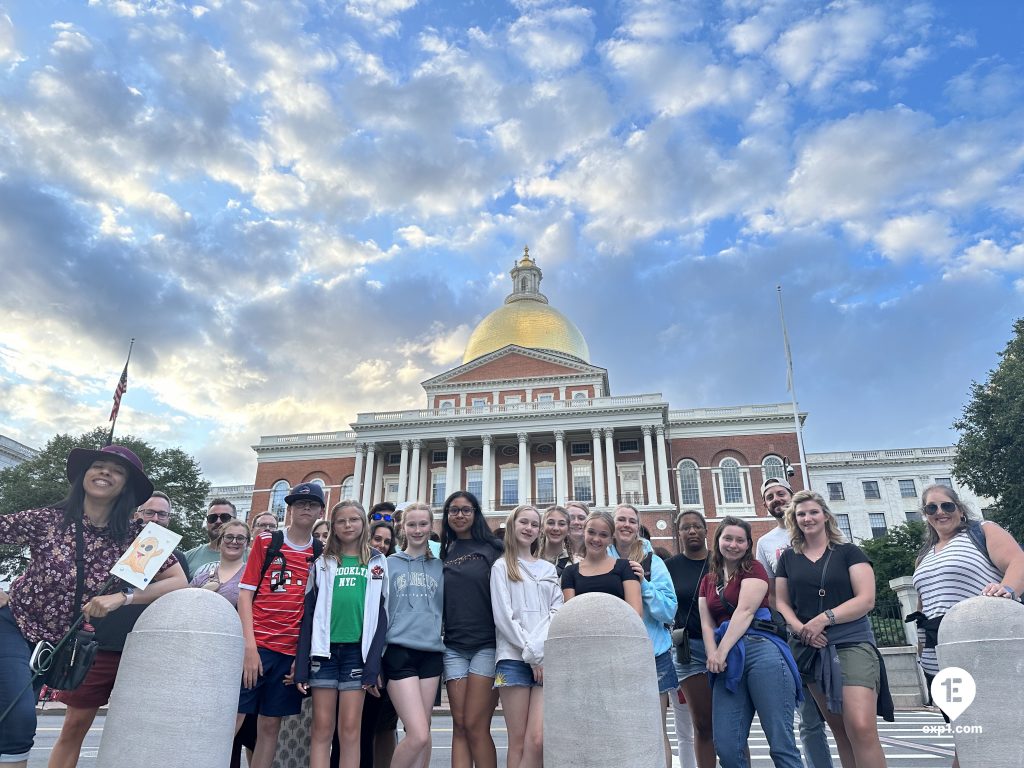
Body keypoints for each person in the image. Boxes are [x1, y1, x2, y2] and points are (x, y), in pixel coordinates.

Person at [0, 445, 187, 768]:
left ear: (126, 486)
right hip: (14, 625)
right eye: (98, 466)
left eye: (115, 470)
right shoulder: (49, 519)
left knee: (12, 718)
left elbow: (178, 581)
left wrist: (122, 598)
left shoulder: (136, 537)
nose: (104, 472)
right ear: (84, 475)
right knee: (18, 719)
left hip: (56, 645)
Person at [46, 489, 189, 768]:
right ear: (137, 514)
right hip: (98, 649)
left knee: (138, 735)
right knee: (73, 728)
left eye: (163, 514)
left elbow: (180, 596)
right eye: (150, 512)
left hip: (147, 656)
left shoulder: (177, 561)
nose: (156, 519)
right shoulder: (112, 544)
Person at [775, 491, 891, 768]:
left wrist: (823, 619)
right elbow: (780, 601)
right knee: (840, 730)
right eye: (801, 514)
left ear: (825, 515)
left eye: (813, 512)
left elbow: (866, 599)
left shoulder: (849, 552)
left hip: (851, 642)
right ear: (794, 520)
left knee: (861, 727)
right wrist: (802, 628)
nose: (807, 518)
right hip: (811, 648)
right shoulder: (788, 558)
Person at [911, 484, 1024, 766]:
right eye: (931, 508)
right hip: (940, 653)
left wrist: (1007, 589)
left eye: (947, 505)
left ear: (960, 509)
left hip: (980, 641)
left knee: (993, 728)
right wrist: (922, 648)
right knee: (966, 734)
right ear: (925, 515)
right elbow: (924, 603)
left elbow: (1018, 561)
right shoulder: (923, 556)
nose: (940, 512)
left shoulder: (982, 531)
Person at [698, 515, 802, 768]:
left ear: (747, 545)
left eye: (740, 540)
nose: (733, 545)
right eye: (728, 538)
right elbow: (706, 622)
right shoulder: (708, 580)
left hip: (760, 649)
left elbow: (745, 611)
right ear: (718, 541)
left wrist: (720, 652)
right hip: (727, 659)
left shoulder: (754, 568)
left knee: (781, 742)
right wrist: (713, 655)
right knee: (726, 745)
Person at [234, 482, 322, 768]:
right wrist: (249, 648)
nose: (305, 508)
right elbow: (245, 593)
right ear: (290, 509)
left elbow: (316, 612)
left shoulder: (321, 552)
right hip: (256, 646)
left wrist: (302, 659)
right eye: (298, 503)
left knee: (270, 726)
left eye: (311, 504)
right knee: (232, 720)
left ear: (321, 510)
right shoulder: (267, 542)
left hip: (289, 654)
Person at [296, 499, 389, 768]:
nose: (348, 525)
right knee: (322, 729)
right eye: (341, 521)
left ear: (363, 524)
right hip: (324, 654)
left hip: (356, 655)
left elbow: (381, 616)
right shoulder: (322, 563)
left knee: (350, 731)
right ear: (333, 526)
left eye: (354, 519)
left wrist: (374, 664)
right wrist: (302, 665)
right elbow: (309, 615)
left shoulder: (376, 561)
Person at [755, 477, 834, 768]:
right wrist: (797, 627)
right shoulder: (766, 543)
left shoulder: (822, 533)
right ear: (765, 506)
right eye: (770, 497)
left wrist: (824, 620)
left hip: (835, 630)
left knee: (848, 715)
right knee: (809, 719)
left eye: (781, 494)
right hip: (795, 635)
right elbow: (771, 593)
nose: (777, 499)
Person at [490, 505, 562, 768]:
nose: (529, 528)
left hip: (545, 660)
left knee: (539, 740)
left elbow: (557, 611)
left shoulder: (548, 569)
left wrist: (539, 654)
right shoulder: (501, 567)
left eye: (534, 524)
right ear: (513, 525)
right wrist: (532, 655)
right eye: (524, 522)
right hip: (512, 659)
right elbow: (504, 619)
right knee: (518, 741)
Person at [608, 504, 677, 768]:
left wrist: (644, 585)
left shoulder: (653, 562)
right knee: (618, 731)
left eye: (631, 521)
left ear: (638, 527)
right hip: (612, 656)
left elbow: (669, 611)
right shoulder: (601, 559)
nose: (626, 525)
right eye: (620, 520)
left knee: (655, 730)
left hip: (652, 655)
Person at [440, 490, 503, 768]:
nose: (460, 515)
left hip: (487, 645)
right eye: (454, 510)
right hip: (453, 646)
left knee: (477, 725)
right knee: (460, 724)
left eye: (466, 510)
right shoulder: (445, 550)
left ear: (476, 513)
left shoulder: (494, 549)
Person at [384, 502, 444, 768]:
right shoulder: (388, 564)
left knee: (425, 730)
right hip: (398, 652)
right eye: (412, 524)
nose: (417, 530)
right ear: (403, 527)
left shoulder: (441, 566)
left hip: (431, 652)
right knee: (417, 734)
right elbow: (379, 612)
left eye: (423, 524)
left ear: (431, 527)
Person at [664, 510, 714, 768]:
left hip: (725, 646)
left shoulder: (721, 561)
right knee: (702, 723)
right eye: (686, 527)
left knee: (729, 722)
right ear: (679, 532)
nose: (692, 531)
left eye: (697, 526)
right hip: (690, 650)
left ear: (706, 530)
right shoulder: (670, 567)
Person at [361, 515, 398, 768]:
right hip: (357, 654)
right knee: (360, 729)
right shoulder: (359, 565)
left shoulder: (391, 566)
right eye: (377, 539)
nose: (382, 544)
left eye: (387, 541)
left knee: (383, 725)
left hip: (385, 656)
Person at [560, 510, 641, 615]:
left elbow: (636, 614)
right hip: (583, 630)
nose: (596, 539)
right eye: (591, 532)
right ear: (584, 532)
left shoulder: (626, 567)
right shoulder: (569, 572)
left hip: (621, 630)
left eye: (603, 535)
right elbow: (570, 614)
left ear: (611, 538)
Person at [192, 519, 250, 606]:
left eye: (240, 538)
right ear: (220, 542)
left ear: (247, 544)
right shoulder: (201, 578)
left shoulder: (253, 576)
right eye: (229, 537)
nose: (234, 542)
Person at [184, 498, 237, 573]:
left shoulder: (252, 556)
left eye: (225, 517)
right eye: (213, 518)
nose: (218, 521)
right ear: (207, 522)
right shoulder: (187, 558)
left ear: (235, 521)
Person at [538, 505, 574, 574]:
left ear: (568, 529)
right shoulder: (530, 559)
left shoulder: (575, 564)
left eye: (561, 524)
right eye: (550, 523)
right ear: (542, 527)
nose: (556, 528)